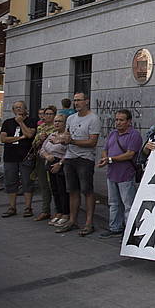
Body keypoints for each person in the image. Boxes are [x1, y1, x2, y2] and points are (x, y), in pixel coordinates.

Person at [54, 92, 101, 236]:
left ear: (86, 101)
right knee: (72, 191)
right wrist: (60, 139)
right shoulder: (71, 118)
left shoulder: (93, 119)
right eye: (74, 101)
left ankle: (88, 223)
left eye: (79, 100)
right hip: (70, 157)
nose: (76, 103)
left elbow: (92, 142)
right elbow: (67, 135)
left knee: (87, 191)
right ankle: (72, 221)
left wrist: (71, 141)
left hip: (85, 159)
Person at [98, 109, 142, 239]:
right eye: (116, 119)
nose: (118, 122)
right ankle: (115, 227)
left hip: (126, 174)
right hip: (112, 173)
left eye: (121, 120)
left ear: (129, 121)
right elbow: (105, 149)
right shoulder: (113, 134)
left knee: (128, 204)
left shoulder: (134, 135)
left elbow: (130, 154)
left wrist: (111, 159)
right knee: (113, 203)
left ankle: (130, 231)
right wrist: (105, 159)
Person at [0, 101, 37, 217]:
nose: (18, 109)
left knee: (27, 182)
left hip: (26, 157)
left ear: (26, 109)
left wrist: (21, 123)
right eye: (16, 108)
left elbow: (30, 135)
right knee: (10, 182)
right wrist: (21, 137)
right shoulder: (7, 122)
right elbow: (3, 139)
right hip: (10, 157)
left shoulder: (32, 121)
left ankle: (28, 207)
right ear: (13, 110)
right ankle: (12, 207)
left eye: (21, 107)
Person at [40, 114, 69, 227]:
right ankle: (59, 212)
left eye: (60, 121)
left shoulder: (66, 136)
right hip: (50, 162)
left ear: (65, 123)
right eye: (55, 121)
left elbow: (69, 152)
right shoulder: (52, 135)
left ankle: (66, 213)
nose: (57, 123)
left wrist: (60, 163)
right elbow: (42, 148)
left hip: (61, 163)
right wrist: (46, 155)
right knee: (55, 189)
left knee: (63, 190)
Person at [31, 105, 57, 221]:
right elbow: (34, 144)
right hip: (40, 158)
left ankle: (58, 211)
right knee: (43, 185)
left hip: (52, 158)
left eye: (50, 114)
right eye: (46, 114)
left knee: (54, 185)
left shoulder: (56, 128)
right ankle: (45, 210)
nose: (47, 116)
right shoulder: (41, 127)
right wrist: (39, 140)